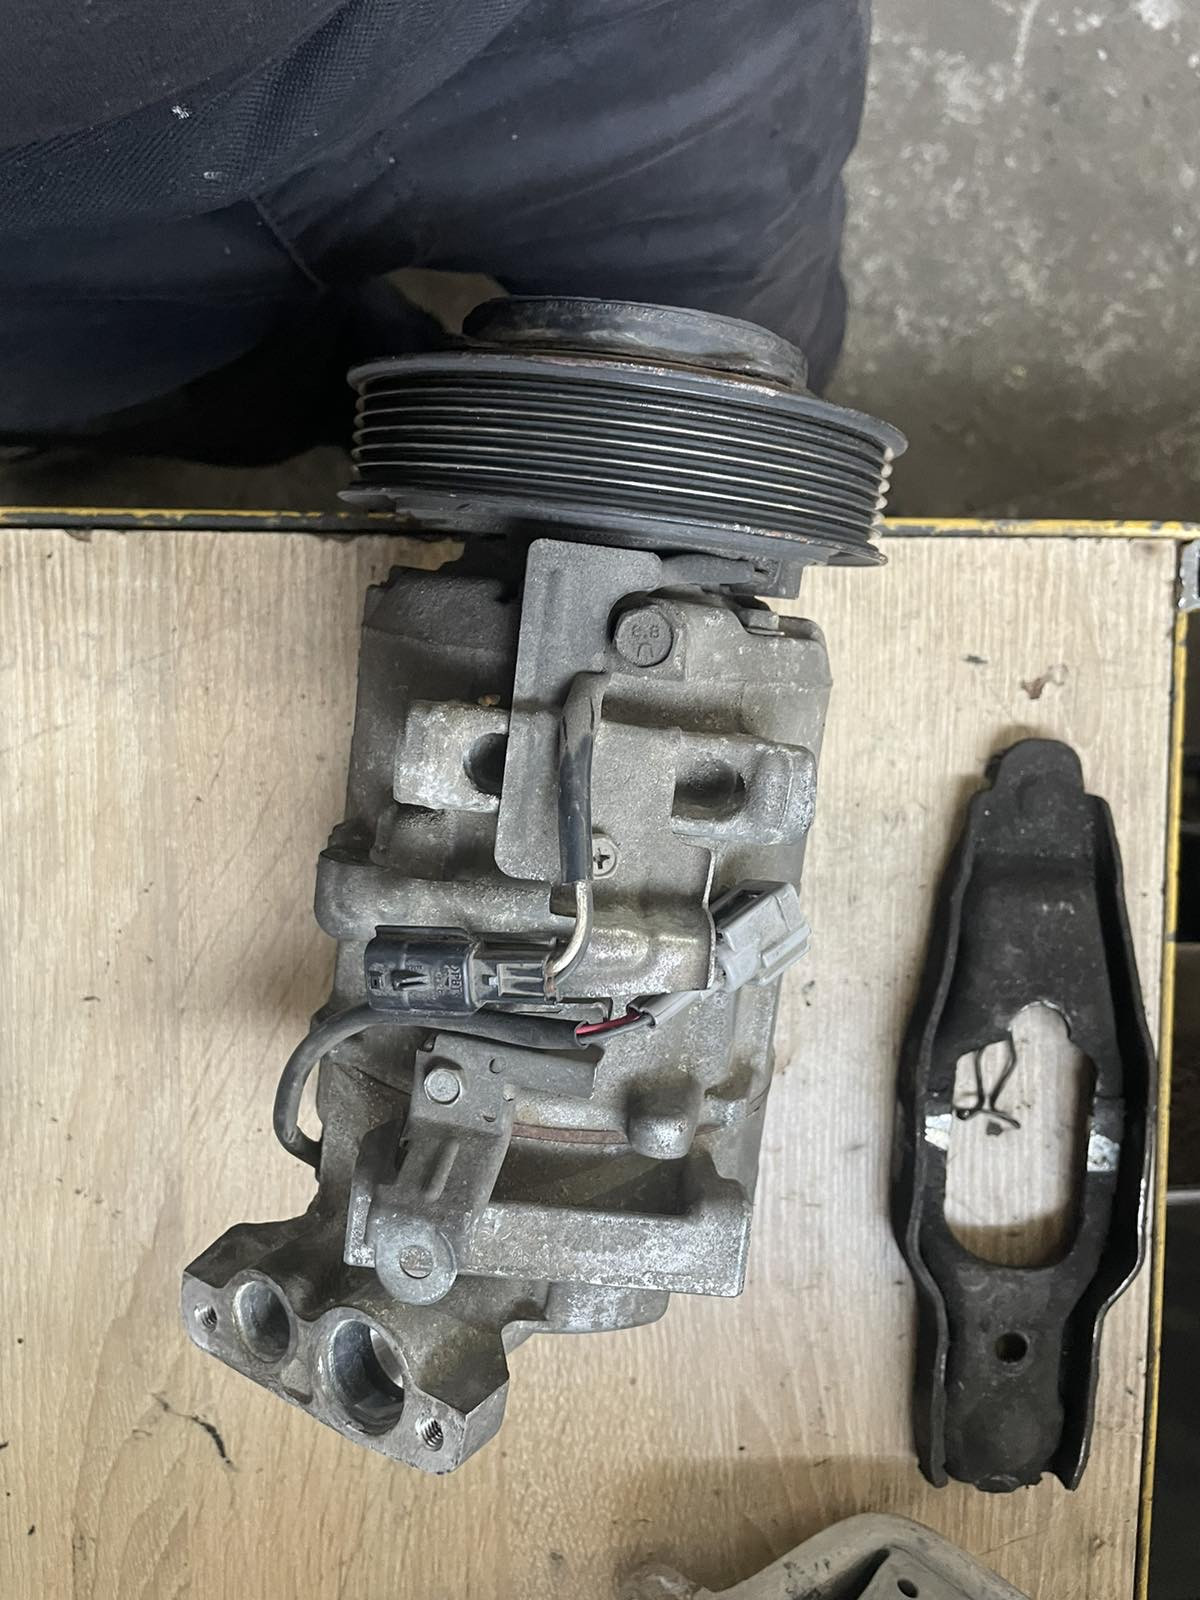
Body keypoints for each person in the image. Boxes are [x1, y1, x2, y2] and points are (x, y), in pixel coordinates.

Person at [0, 0, 869, 466]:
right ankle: (362, 408)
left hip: (535, 38)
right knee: (258, 389)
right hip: (62, 301)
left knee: (731, 410)